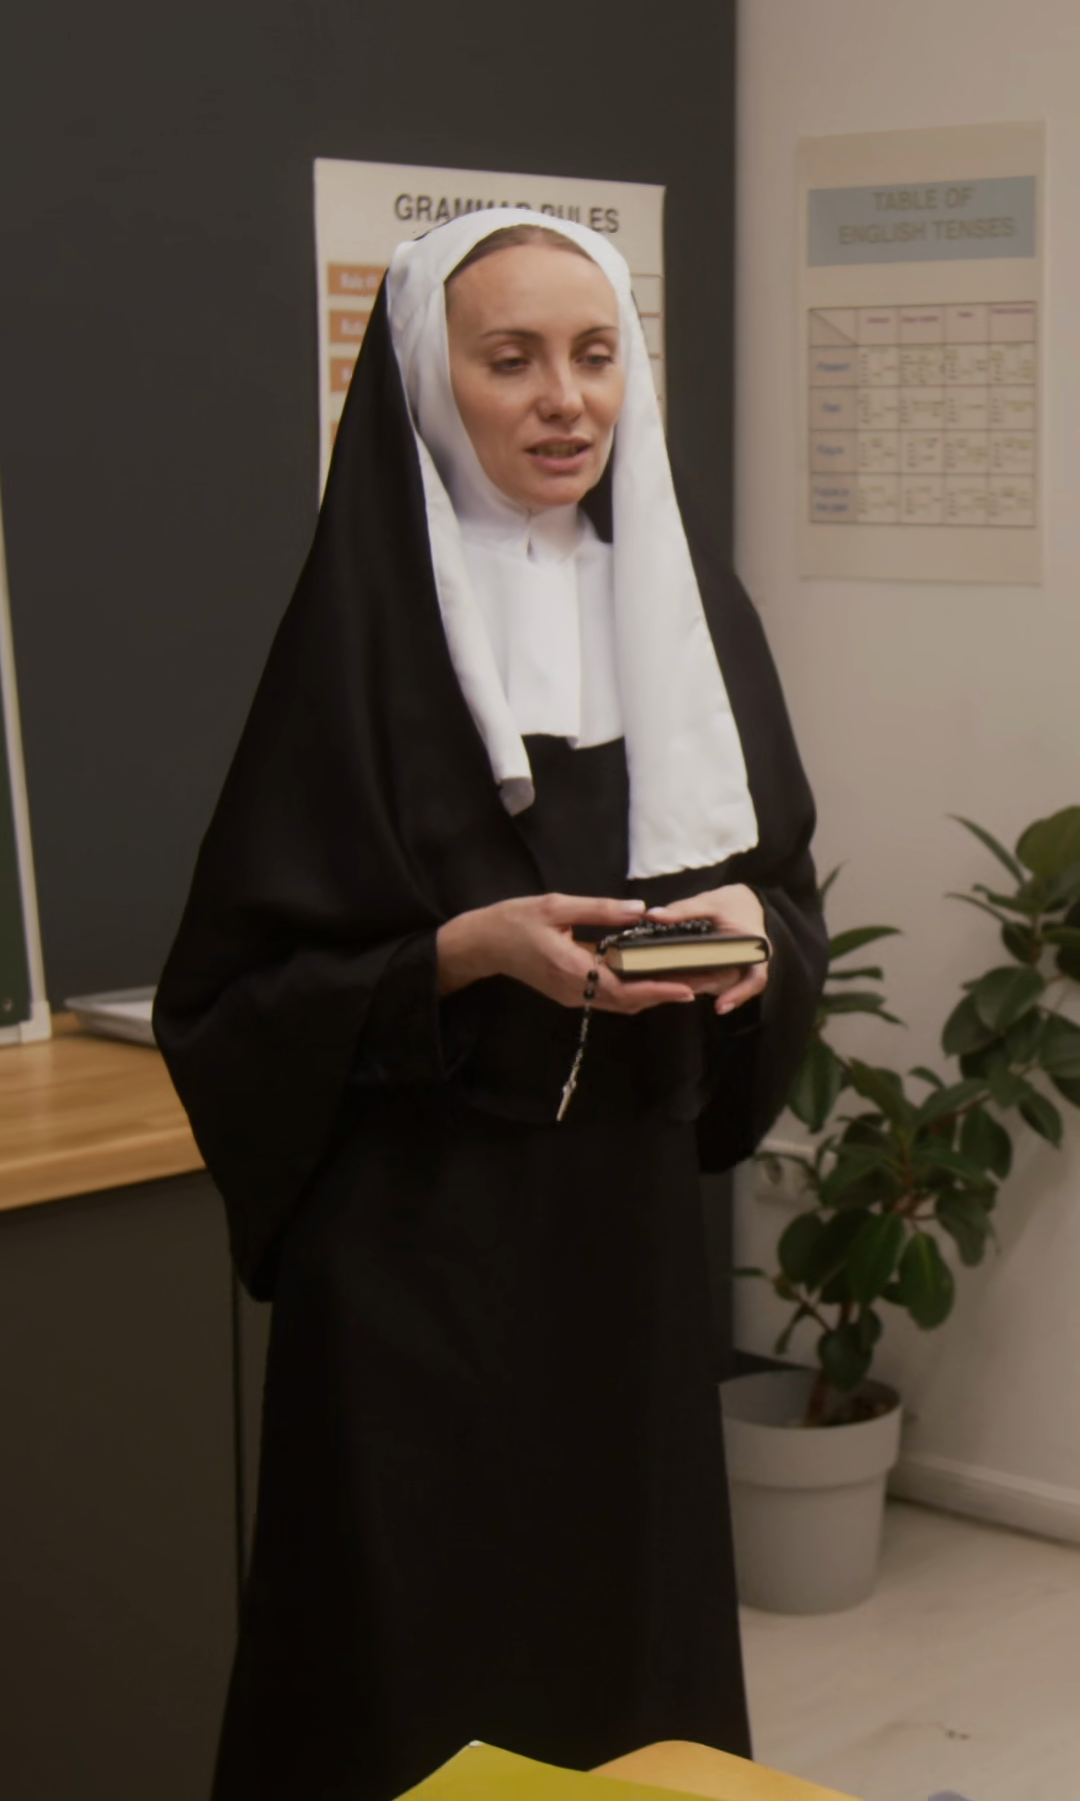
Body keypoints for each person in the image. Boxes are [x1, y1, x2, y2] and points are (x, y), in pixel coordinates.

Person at [154, 209, 827, 1801]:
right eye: (510, 359)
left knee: (622, 1661)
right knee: (411, 1663)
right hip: (414, 1253)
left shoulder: (691, 615)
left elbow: (785, 895)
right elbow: (231, 1002)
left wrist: (758, 940)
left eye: (595, 356)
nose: (564, 400)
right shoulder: (354, 650)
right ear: (425, 381)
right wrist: (459, 953)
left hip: (623, 1243)